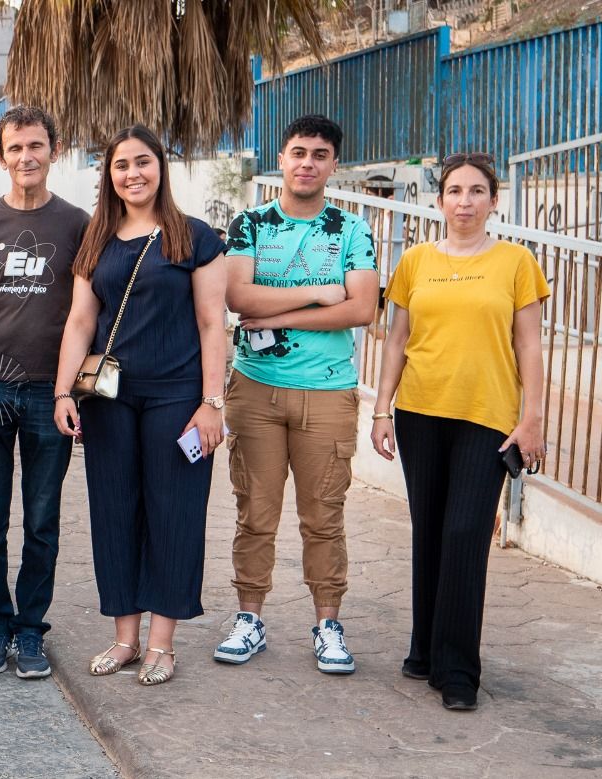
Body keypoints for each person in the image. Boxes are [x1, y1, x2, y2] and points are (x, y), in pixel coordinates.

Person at [371, 153, 548, 711]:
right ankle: (423, 650)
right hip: (420, 412)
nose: (465, 201)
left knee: (465, 535)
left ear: (494, 200)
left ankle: (457, 671)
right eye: (454, 190)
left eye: (476, 191)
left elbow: (529, 345)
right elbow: (397, 340)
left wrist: (533, 418)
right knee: (429, 530)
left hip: (487, 418)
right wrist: (381, 410)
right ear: (439, 199)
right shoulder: (417, 261)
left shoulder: (516, 262)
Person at [51, 126, 228, 686]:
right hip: (109, 400)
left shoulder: (195, 237)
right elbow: (80, 321)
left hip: (178, 399)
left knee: (174, 514)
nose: (133, 173)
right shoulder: (96, 240)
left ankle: (162, 644)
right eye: (122, 164)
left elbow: (211, 324)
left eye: (143, 162)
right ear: (109, 174)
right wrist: (62, 391)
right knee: (113, 511)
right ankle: (125, 637)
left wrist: (212, 402)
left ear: (161, 168)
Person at [216, 114, 378, 675]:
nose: (307, 162)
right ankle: (249, 618)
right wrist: (316, 294)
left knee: (323, 517)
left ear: (333, 165)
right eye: (298, 152)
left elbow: (361, 308)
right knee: (254, 514)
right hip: (256, 389)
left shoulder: (352, 230)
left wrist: (275, 307)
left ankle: (327, 624)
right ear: (280, 160)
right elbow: (237, 297)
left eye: (320, 154)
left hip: (328, 393)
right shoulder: (250, 224)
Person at [0, 105, 90, 679]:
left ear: (52, 150)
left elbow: (87, 313)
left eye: (35, 146)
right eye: (15, 148)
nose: (26, 157)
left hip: (50, 392)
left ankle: (31, 629)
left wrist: (70, 391)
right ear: (0, 156)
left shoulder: (78, 224)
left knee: (41, 518)